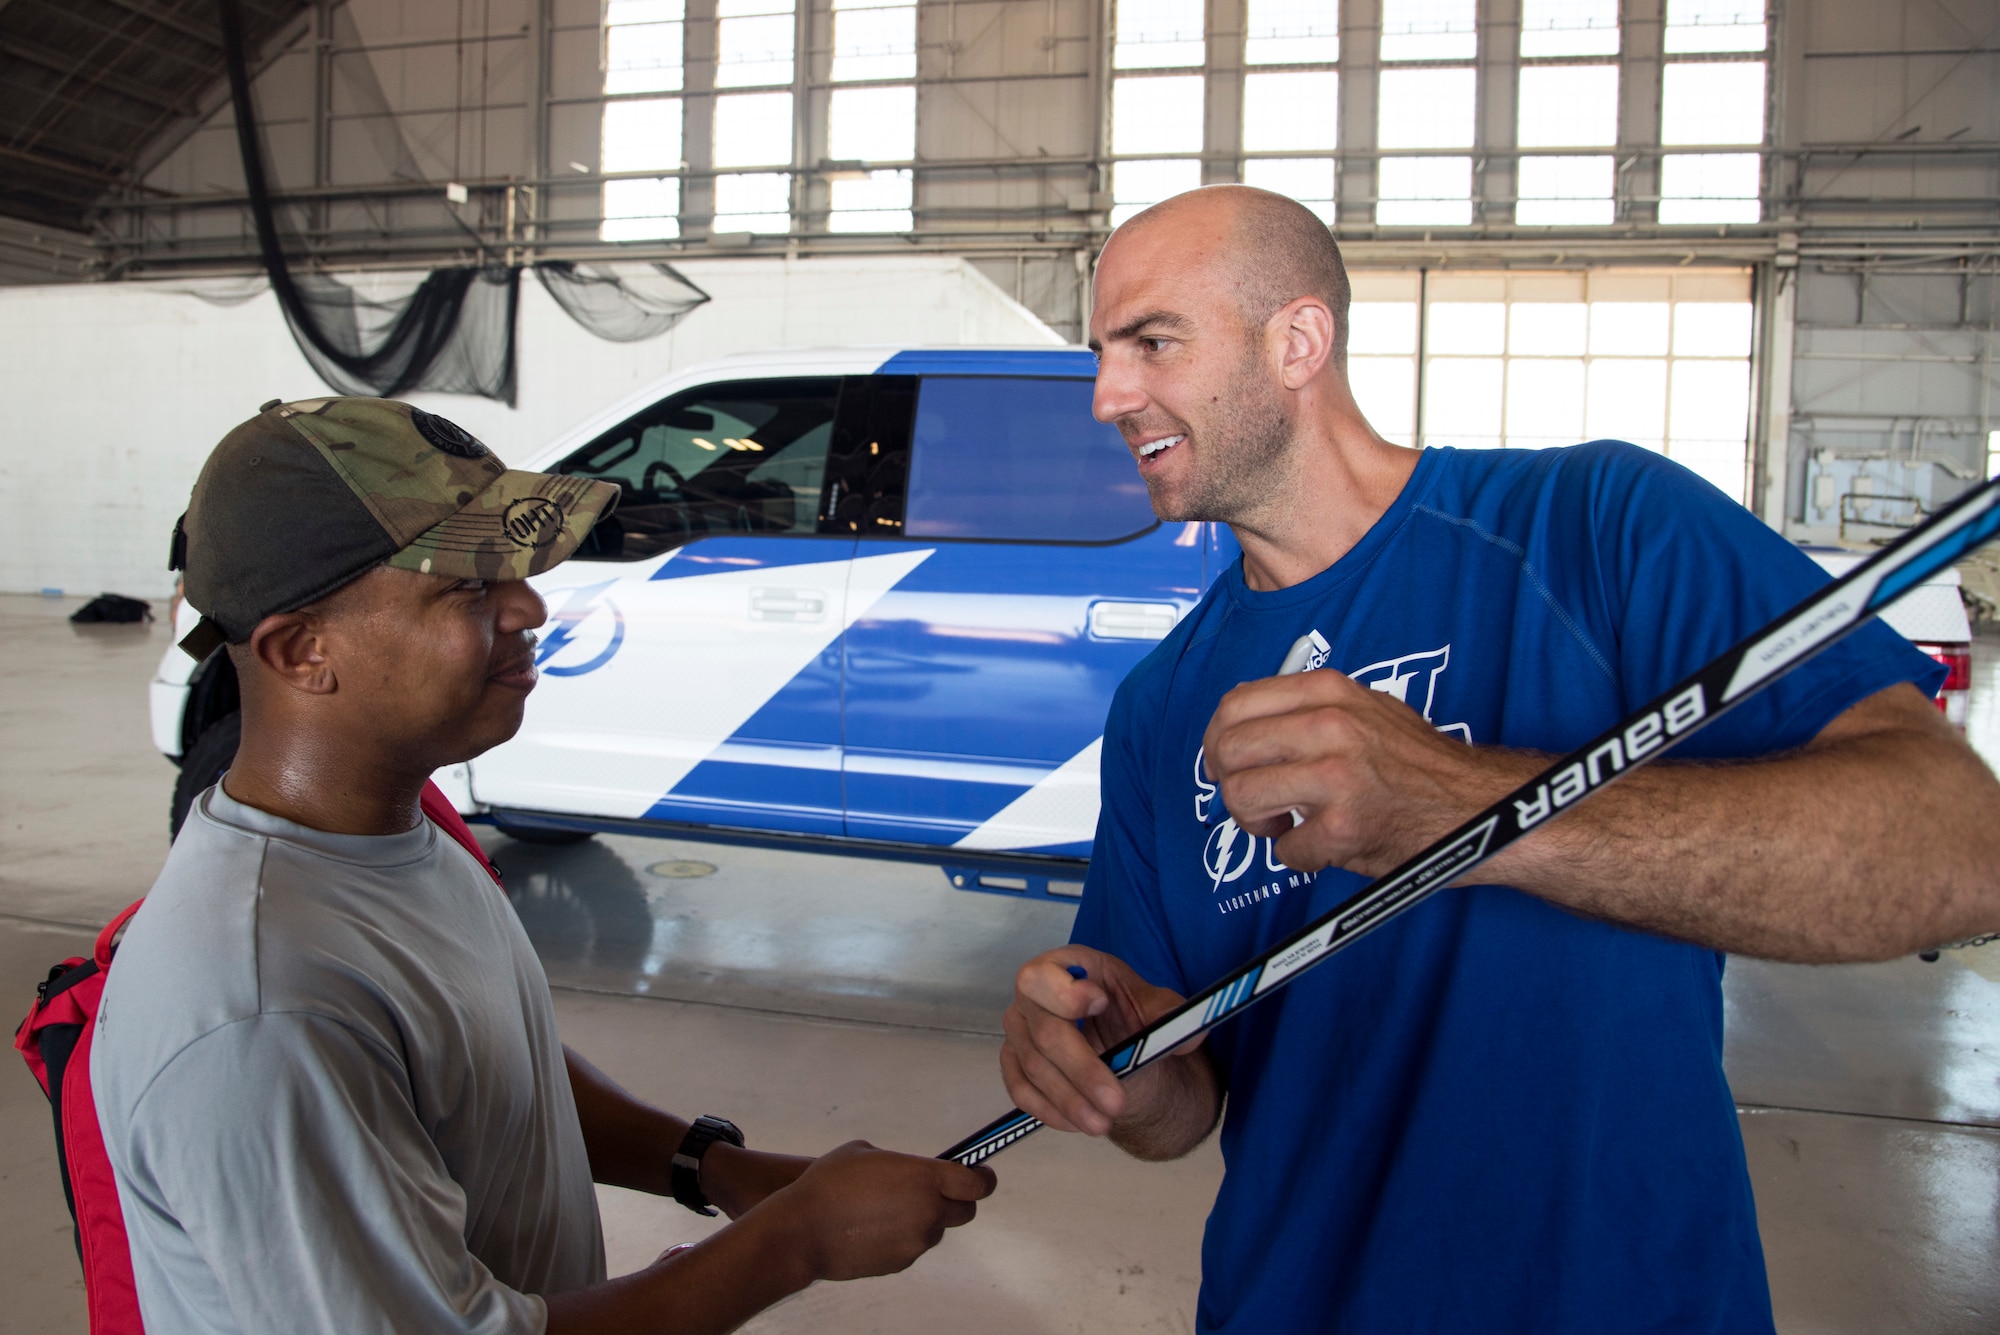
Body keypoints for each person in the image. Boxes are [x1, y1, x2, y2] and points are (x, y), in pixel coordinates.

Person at [998, 187, 2000, 1334]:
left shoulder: (1597, 528)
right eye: (1101, 355)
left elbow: (1955, 849)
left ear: (1296, 342)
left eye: (1150, 344)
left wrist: (1459, 807)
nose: (1106, 397)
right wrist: (1114, 1064)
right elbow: (1184, 1107)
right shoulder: (1162, 702)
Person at [93, 397, 994, 1335]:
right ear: (303, 649)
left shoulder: (395, 837)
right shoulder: (266, 1006)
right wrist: (793, 1242)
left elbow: (487, 1065)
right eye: (468, 587)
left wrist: (711, 1165)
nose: (528, 606)